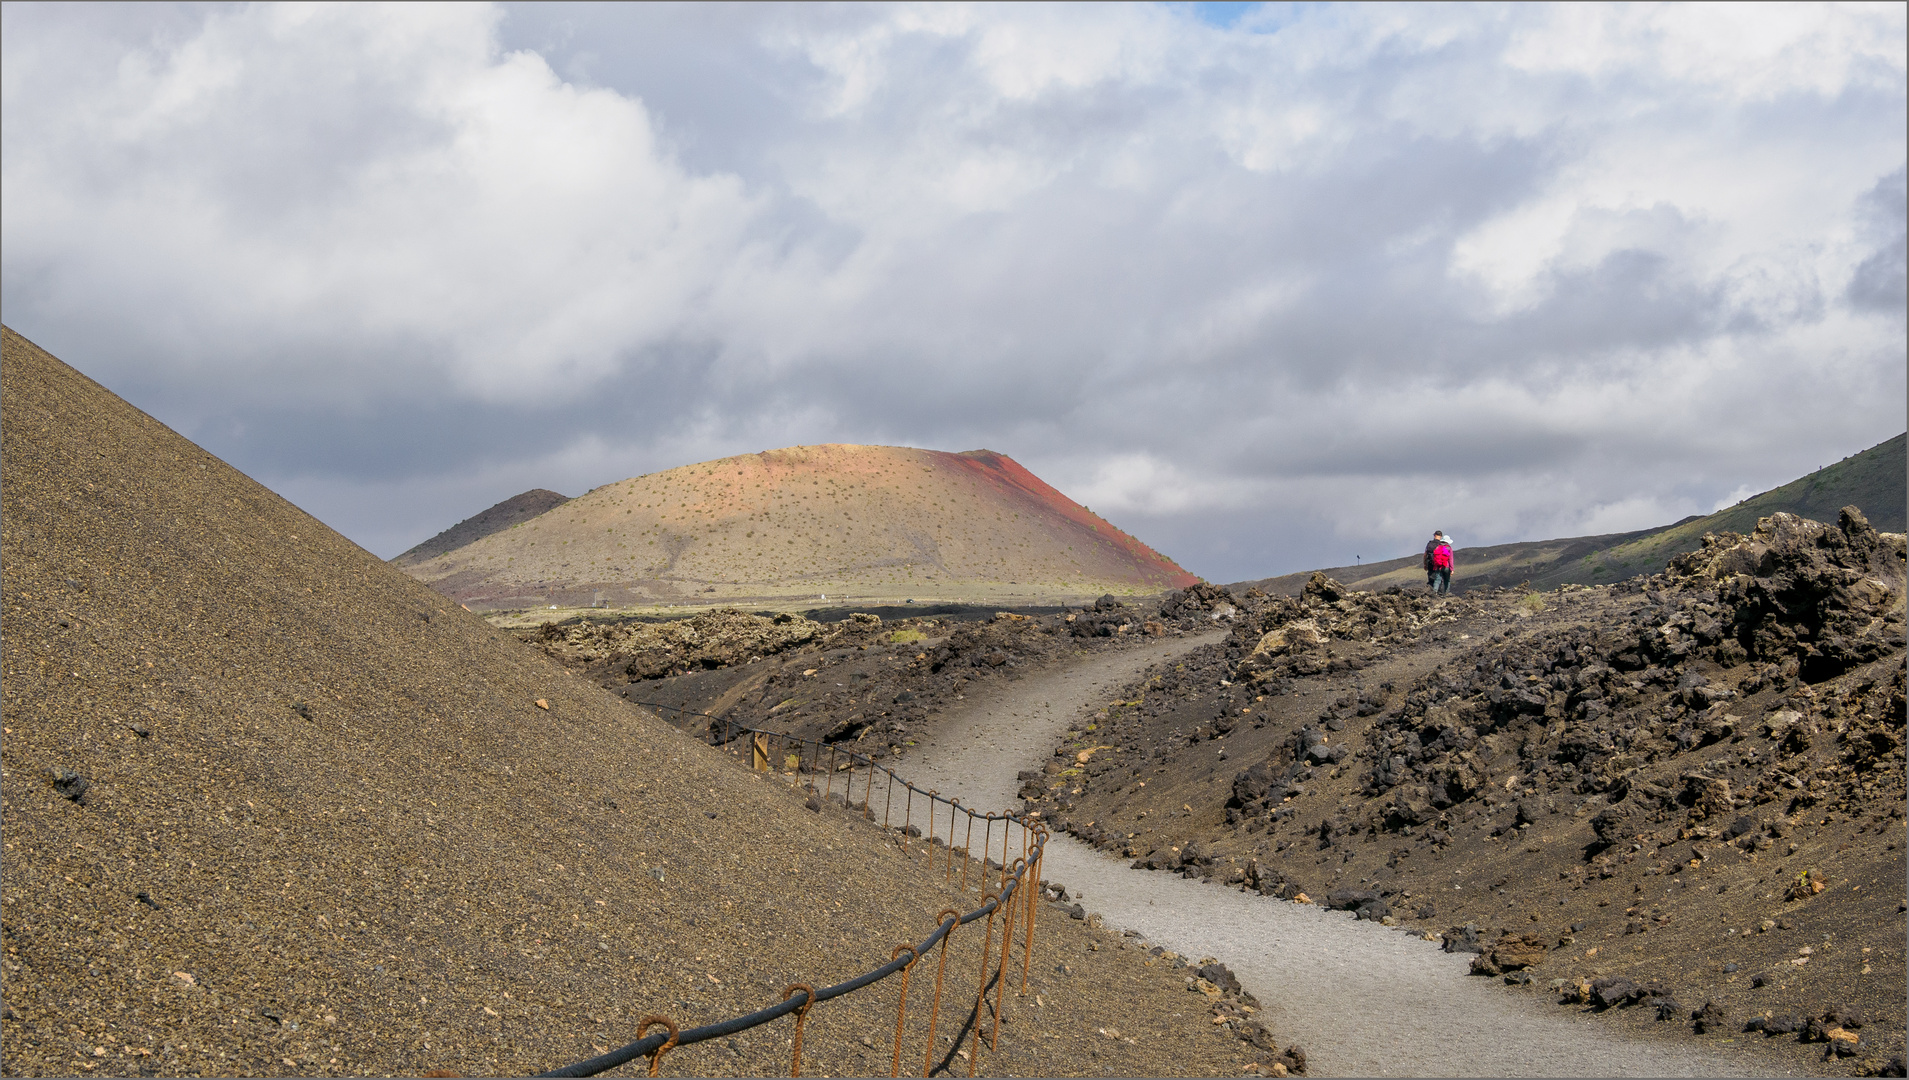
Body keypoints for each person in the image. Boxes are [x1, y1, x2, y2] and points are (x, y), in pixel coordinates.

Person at [1423, 531, 1454, 595]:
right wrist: (1452, 569)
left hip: (1435, 565)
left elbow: (1425, 554)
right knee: (1446, 580)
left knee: (1436, 580)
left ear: (1434, 535)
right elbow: (1450, 559)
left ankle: (1434, 592)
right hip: (1446, 566)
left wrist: (1425, 564)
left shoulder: (1431, 544)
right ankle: (1445, 593)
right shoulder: (1447, 547)